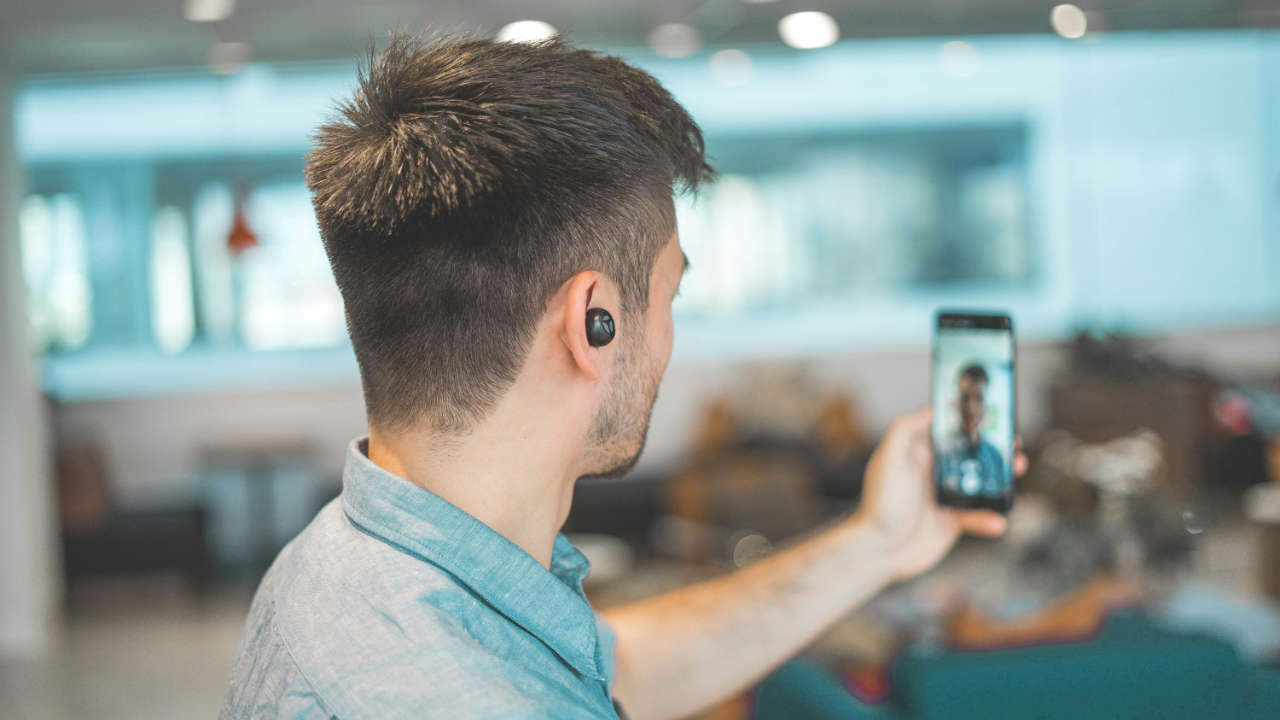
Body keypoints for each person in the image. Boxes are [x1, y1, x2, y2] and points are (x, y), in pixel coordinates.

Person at [220, 35, 1015, 720]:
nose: (671, 336)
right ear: (592, 321)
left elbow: (619, 667)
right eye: (670, 295)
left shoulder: (348, 565)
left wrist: (877, 542)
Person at [939, 363, 1008, 497]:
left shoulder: (995, 456)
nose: (971, 408)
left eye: (978, 398)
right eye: (965, 398)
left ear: (986, 403)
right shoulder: (941, 452)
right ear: (956, 402)